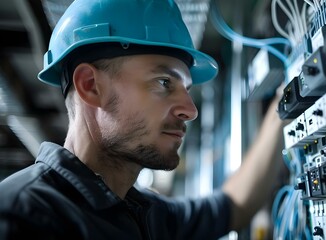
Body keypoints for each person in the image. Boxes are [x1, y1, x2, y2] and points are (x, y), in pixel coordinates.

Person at [0, 0, 285, 239]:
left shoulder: (146, 214)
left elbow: (234, 207)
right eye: (163, 82)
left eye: (186, 89)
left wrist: (284, 104)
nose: (190, 110)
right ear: (90, 86)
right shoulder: (19, 215)